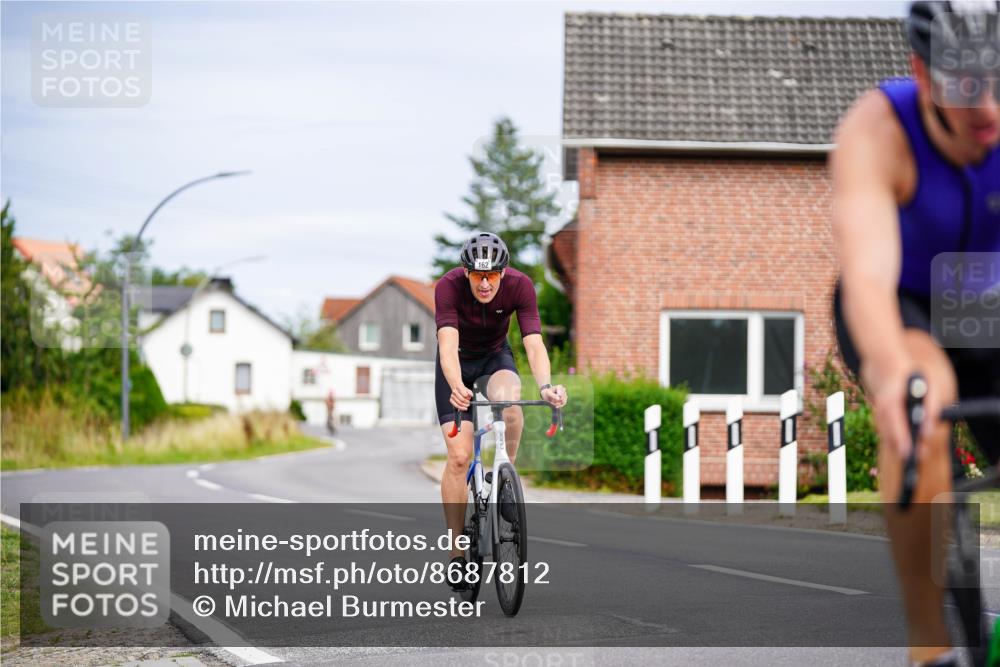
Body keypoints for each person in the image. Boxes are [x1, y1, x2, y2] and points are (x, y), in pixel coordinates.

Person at [830, 2, 1000, 664]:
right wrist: (895, 371)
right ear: (923, 74)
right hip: (903, 300)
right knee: (922, 400)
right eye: (966, 83)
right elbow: (870, 278)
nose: (987, 105)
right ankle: (929, 647)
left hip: (986, 298)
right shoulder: (877, 131)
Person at [434, 232, 567, 589]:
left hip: (495, 357)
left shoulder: (521, 286)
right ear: (466, 273)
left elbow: (534, 344)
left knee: (509, 404)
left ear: (503, 273)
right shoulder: (447, 287)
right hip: (456, 364)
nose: (485, 283)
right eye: (478, 275)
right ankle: (456, 553)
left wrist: (546, 386)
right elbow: (447, 346)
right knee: (459, 457)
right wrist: (457, 385)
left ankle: (506, 475)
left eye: (492, 275)